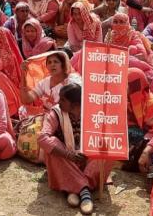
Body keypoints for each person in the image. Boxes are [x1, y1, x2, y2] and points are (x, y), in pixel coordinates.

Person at [38, 83, 98, 215]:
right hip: (65, 161)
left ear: (76, 104)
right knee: (52, 143)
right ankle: (84, 191)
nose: (58, 102)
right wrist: (68, 155)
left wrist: (88, 152)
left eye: (63, 100)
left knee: (105, 148)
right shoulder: (55, 113)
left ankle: (71, 188)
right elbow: (42, 138)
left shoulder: (93, 112)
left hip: (86, 162)